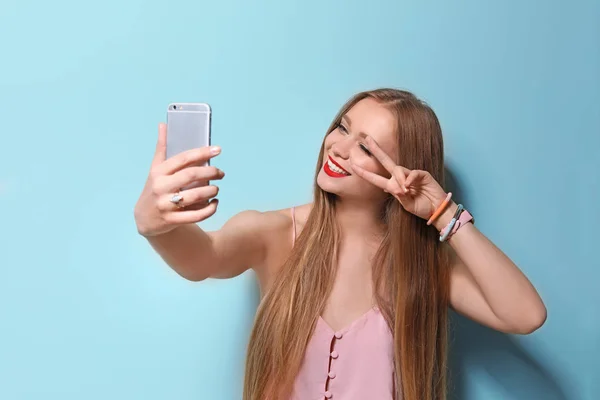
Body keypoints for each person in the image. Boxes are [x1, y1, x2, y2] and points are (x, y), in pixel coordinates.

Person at [134, 88, 547, 400]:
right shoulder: (275, 233)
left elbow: (525, 315)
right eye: (343, 127)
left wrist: (444, 213)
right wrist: (155, 224)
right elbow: (202, 259)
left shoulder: (421, 266)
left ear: (404, 171)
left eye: (367, 147)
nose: (340, 148)